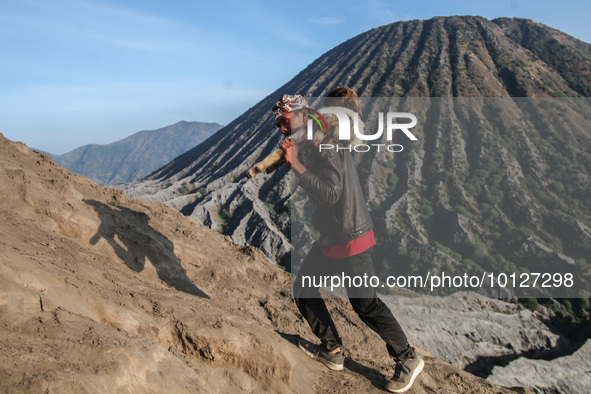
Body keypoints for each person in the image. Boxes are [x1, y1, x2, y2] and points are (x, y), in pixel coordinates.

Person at [272, 87, 424, 393]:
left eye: (285, 120)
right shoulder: (316, 142)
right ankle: (332, 350)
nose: (282, 127)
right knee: (303, 288)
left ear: (304, 116)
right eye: (279, 123)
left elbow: (331, 193)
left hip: (350, 237)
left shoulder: (325, 144)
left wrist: (295, 165)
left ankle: (408, 357)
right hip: (335, 235)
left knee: (365, 303)